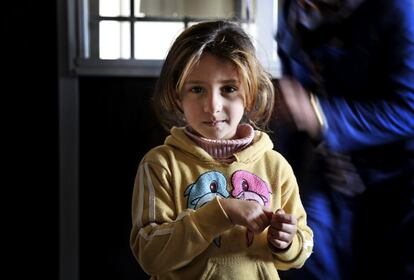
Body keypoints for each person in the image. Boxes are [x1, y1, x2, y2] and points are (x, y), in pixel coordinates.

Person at [129, 20, 313, 279]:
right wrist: (220, 213)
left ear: (249, 94)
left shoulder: (276, 165)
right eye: (196, 89)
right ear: (177, 95)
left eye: (228, 89)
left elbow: (302, 247)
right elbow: (150, 255)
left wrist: (287, 241)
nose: (212, 105)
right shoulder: (160, 165)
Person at [275, 0, 414, 279]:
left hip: (397, 181)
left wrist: (319, 115)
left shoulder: (402, 10)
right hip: (330, 169)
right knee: (304, 258)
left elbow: (409, 109)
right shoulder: (294, 8)